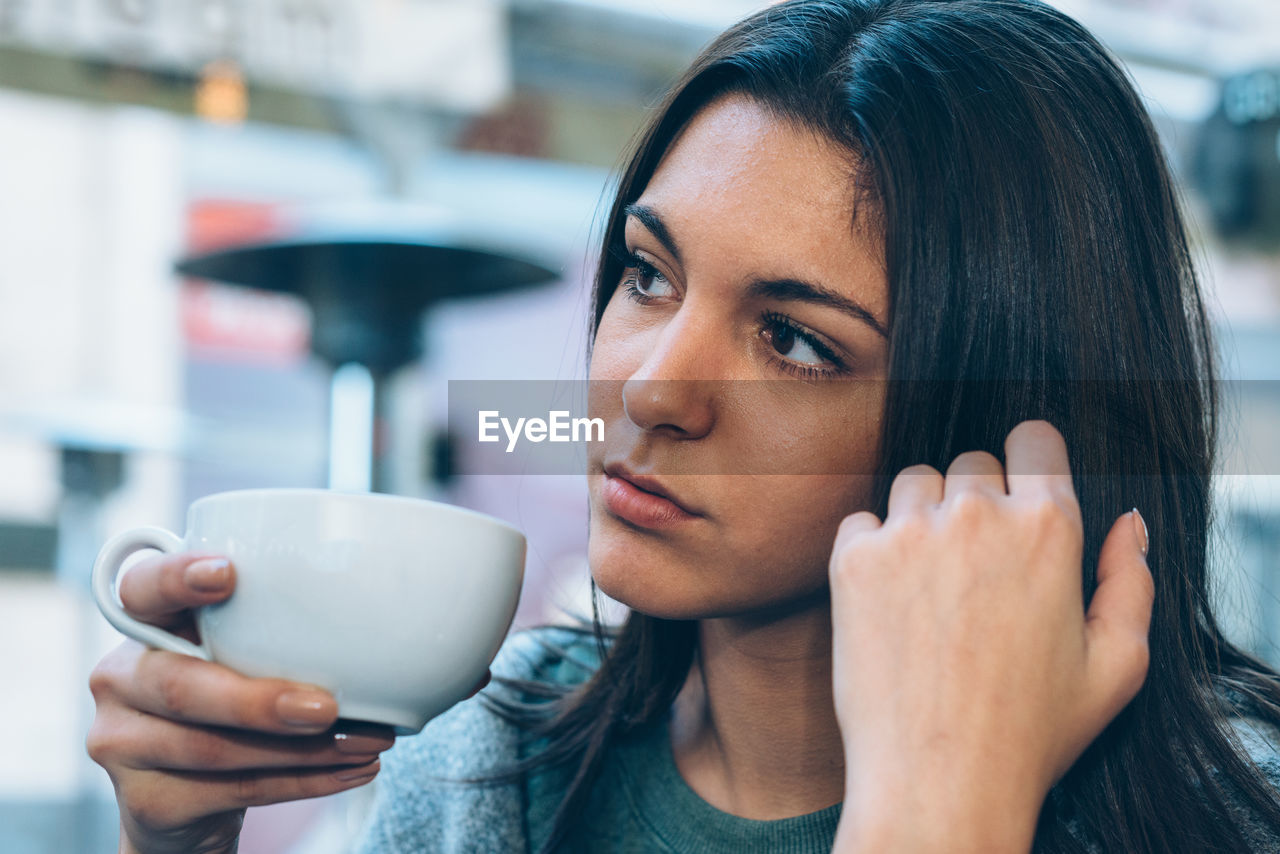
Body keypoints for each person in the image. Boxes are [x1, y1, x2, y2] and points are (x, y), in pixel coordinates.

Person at [87, 1, 1280, 852]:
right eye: (648, 275)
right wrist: (175, 844)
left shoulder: (1234, 814)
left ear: (1004, 430)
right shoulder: (490, 771)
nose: (650, 388)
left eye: (794, 340)